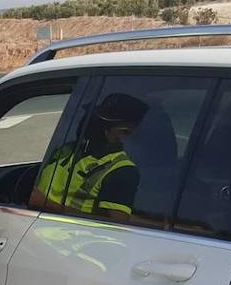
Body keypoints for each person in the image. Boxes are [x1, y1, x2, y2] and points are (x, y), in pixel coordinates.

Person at [30, 92, 149, 221]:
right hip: (32, 225)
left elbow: (115, 226)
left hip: (71, 236)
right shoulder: (67, 149)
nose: (94, 127)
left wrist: (45, 204)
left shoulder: (122, 170)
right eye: (94, 120)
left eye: (125, 132)